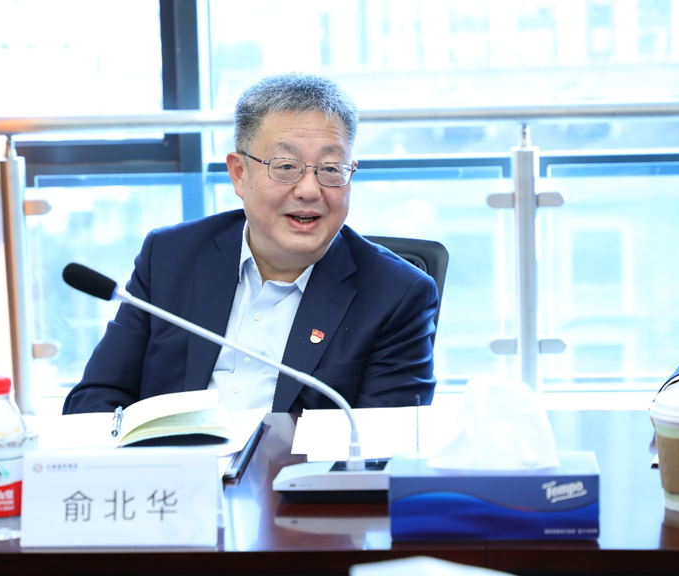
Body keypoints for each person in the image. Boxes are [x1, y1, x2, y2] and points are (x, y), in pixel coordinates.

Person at [63, 73, 438, 415]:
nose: (309, 190)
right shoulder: (169, 257)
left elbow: (381, 440)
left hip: (299, 470)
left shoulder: (397, 295)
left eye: (329, 169)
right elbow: (94, 398)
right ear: (239, 173)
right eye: (286, 166)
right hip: (171, 466)